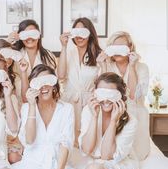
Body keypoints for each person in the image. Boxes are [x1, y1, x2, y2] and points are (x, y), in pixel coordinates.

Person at [97, 31, 150, 160]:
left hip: (136, 114)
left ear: (130, 47)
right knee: (112, 154)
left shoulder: (142, 68)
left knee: (136, 155)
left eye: (121, 47)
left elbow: (133, 95)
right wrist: (103, 65)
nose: (116, 51)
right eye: (113, 47)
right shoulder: (107, 66)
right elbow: (103, 95)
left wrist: (132, 66)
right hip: (113, 116)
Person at [58, 17, 101, 146]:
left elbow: (103, 82)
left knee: (87, 135)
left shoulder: (99, 55)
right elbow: (61, 75)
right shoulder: (68, 52)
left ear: (90, 34)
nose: (79, 36)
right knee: (69, 137)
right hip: (69, 100)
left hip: (89, 102)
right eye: (76, 32)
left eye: (83, 32)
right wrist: (64, 47)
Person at [8, 19, 57, 102]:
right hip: (19, 103)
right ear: (20, 36)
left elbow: (55, 82)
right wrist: (8, 42)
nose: (29, 37)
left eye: (33, 33)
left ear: (38, 35)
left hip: (43, 103)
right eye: (25, 34)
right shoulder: (14, 56)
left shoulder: (49, 56)